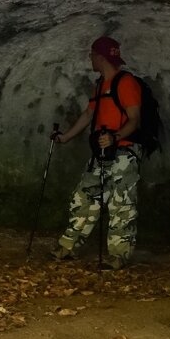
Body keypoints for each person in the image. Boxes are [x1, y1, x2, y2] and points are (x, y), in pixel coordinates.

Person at [49, 36, 142, 269]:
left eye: (92, 55)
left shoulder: (126, 82)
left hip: (123, 152)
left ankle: (118, 254)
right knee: (85, 195)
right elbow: (88, 115)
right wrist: (65, 137)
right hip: (101, 151)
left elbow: (134, 119)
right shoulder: (100, 85)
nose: (90, 59)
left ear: (100, 57)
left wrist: (115, 136)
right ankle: (69, 245)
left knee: (121, 203)